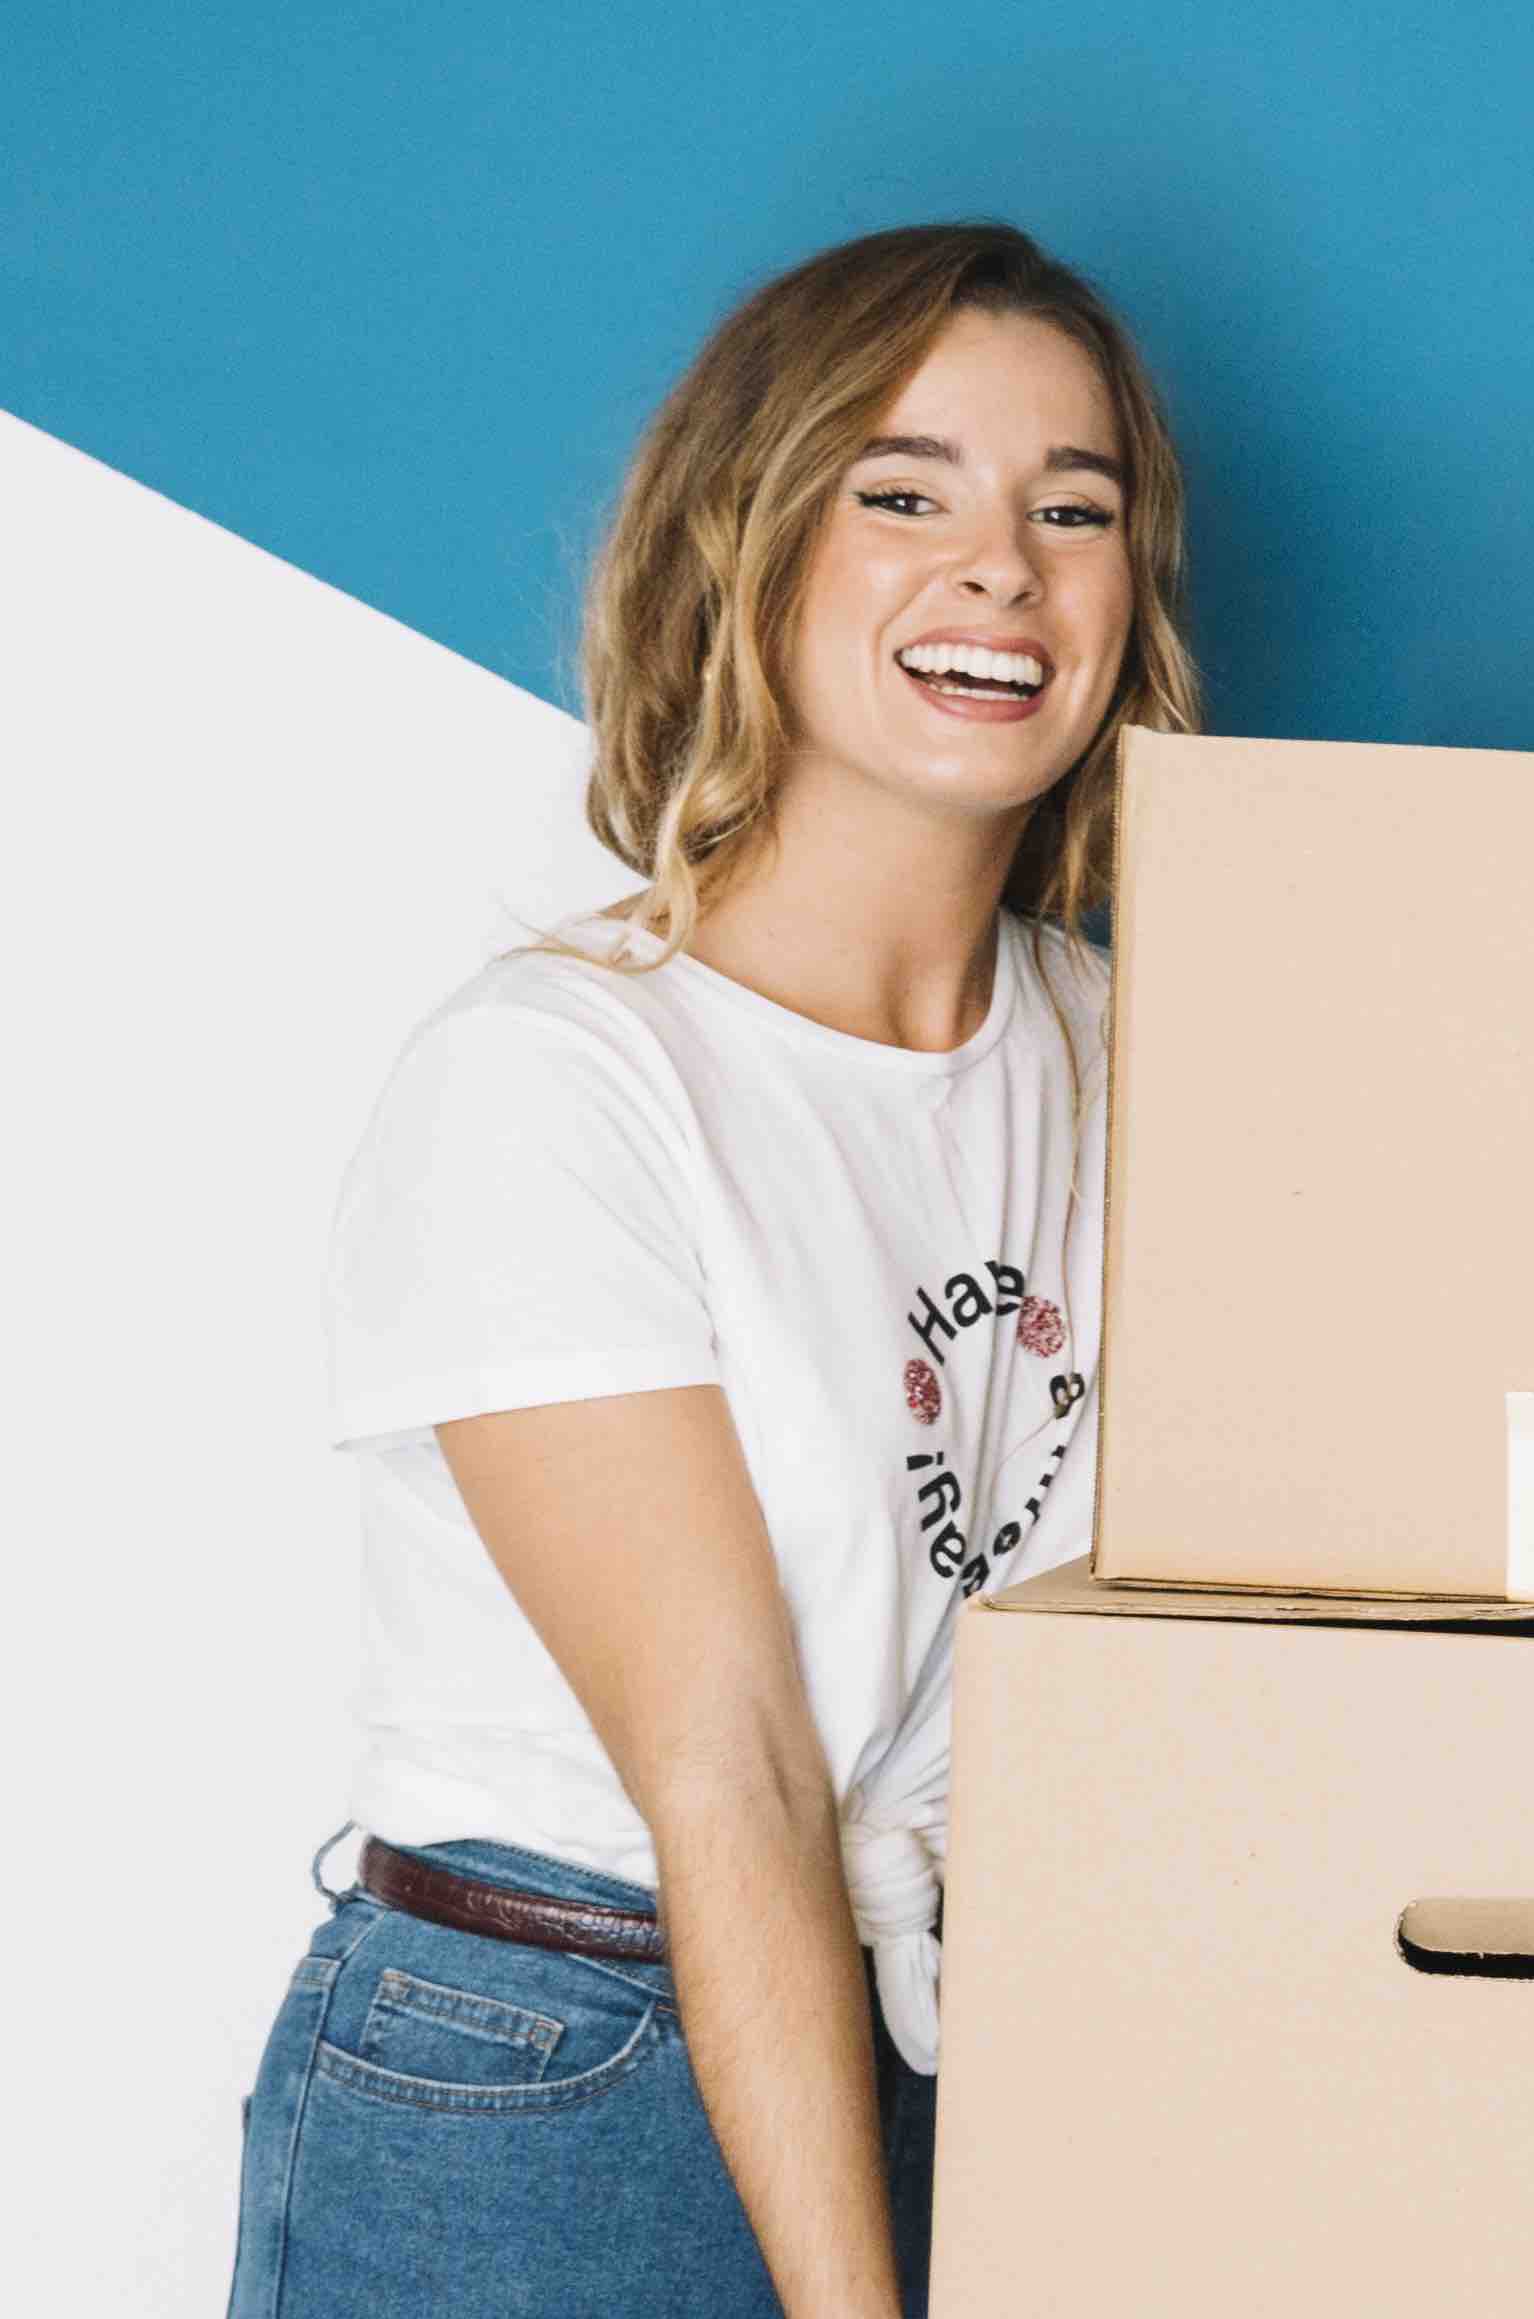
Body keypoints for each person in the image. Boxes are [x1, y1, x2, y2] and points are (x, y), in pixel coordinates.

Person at [227, 222, 1201, 2319]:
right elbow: (728, 1761)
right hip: (560, 2061)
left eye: (1074, 507)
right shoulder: (558, 1081)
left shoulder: (1142, 1059)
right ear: (747, 547)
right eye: (903, 488)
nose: (1003, 569)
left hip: (953, 2026)